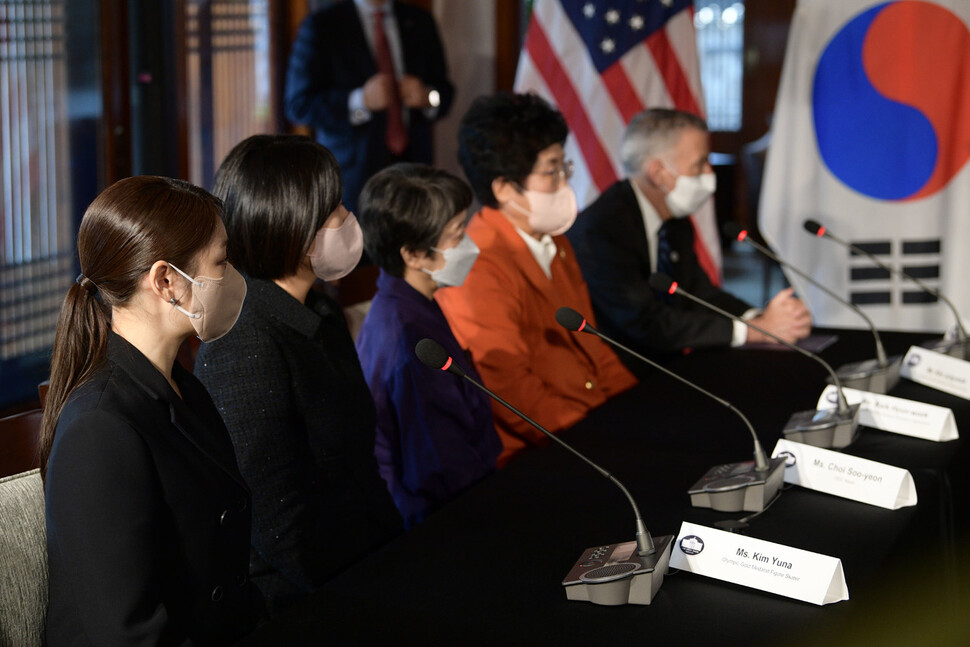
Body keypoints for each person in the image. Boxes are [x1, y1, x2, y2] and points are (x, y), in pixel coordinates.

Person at [41, 176, 262, 645]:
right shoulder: (99, 428)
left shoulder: (180, 384)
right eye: (221, 261)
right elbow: (129, 634)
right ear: (166, 281)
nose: (231, 275)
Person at [194, 135, 402, 616]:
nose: (347, 219)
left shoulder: (321, 312)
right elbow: (274, 524)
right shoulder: (242, 337)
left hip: (364, 563)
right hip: (296, 599)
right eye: (333, 209)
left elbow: (359, 465)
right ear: (290, 222)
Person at [435, 92, 638, 467]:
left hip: (593, 425)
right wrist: (601, 441)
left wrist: (634, 409)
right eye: (552, 171)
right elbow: (510, 389)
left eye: (565, 167)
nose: (565, 182)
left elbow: (592, 344)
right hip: (541, 451)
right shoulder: (477, 263)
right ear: (505, 189)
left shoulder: (554, 240)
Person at [567, 108, 812, 362]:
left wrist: (761, 318)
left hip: (665, 363)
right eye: (699, 165)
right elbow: (646, 323)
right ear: (658, 173)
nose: (709, 173)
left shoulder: (674, 219)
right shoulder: (602, 230)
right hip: (615, 373)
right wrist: (754, 331)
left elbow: (699, 293)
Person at [355, 163, 501, 529]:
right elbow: (442, 465)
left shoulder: (403, 301)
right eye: (456, 234)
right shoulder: (411, 341)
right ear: (414, 255)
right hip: (447, 522)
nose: (468, 244)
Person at [284, 0, 454, 212]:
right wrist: (360, 100)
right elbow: (298, 105)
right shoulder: (321, 25)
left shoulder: (420, 21)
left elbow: (445, 93)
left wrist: (429, 97)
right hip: (353, 178)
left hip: (415, 169)